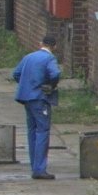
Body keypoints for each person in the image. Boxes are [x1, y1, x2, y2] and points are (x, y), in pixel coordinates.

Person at [12, 34, 61, 180]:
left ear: (41, 44)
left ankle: (34, 166)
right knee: (42, 131)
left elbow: (16, 73)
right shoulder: (49, 58)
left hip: (26, 98)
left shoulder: (29, 57)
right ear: (55, 46)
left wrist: (27, 84)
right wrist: (51, 85)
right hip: (40, 98)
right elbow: (56, 73)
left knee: (31, 131)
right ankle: (39, 169)